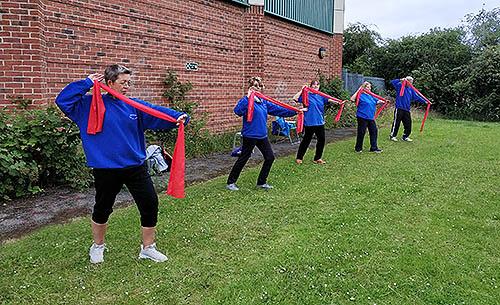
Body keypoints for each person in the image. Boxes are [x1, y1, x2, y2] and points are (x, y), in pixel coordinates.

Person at [55, 64, 189, 264]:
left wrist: (176, 117)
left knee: (150, 203)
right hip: (105, 168)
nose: (127, 86)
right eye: (123, 82)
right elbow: (63, 100)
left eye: (129, 82)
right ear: (110, 83)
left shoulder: (133, 105)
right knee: (103, 207)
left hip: (135, 166)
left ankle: (148, 248)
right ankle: (98, 246)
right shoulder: (88, 105)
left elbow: (154, 112)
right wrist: (86, 83)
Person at [226, 77, 298, 191]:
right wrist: (248, 97)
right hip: (249, 136)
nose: (257, 88)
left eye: (259, 86)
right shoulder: (247, 100)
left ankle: (261, 183)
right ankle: (231, 182)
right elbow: (237, 111)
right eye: (254, 86)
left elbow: (279, 110)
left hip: (262, 136)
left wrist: (296, 111)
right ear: (250, 88)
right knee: (244, 158)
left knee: (270, 157)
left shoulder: (264, 102)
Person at [292, 80, 342, 164]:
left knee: (321, 140)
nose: (315, 86)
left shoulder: (321, 96)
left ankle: (317, 158)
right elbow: (295, 98)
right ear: (310, 86)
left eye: (317, 85)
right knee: (306, 140)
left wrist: (339, 102)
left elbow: (330, 99)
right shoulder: (306, 95)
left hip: (320, 122)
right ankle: (299, 157)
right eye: (314, 85)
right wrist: (302, 89)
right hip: (310, 121)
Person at [389, 76, 427, 142]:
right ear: (407, 81)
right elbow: (392, 82)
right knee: (396, 122)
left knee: (408, 123)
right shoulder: (400, 86)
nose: (411, 84)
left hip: (407, 109)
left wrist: (424, 101)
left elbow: (416, 97)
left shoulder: (410, 89)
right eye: (410, 82)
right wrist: (400, 79)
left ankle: (405, 136)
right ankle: (393, 136)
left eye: (412, 82)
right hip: (399, 108)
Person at [350, 82, 385, 153]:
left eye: (370, 87)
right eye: (367, 87)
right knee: (361, 132)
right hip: (362, 117)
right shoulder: (360, 95)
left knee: (374, 131)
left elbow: (377, 101)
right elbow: (352, 99)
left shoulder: (371, 96)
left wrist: (383, 101)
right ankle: (358, 148)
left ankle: (374, 148)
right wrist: (358, 90)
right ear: (363, 88)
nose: (369, 89)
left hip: (371, 117)